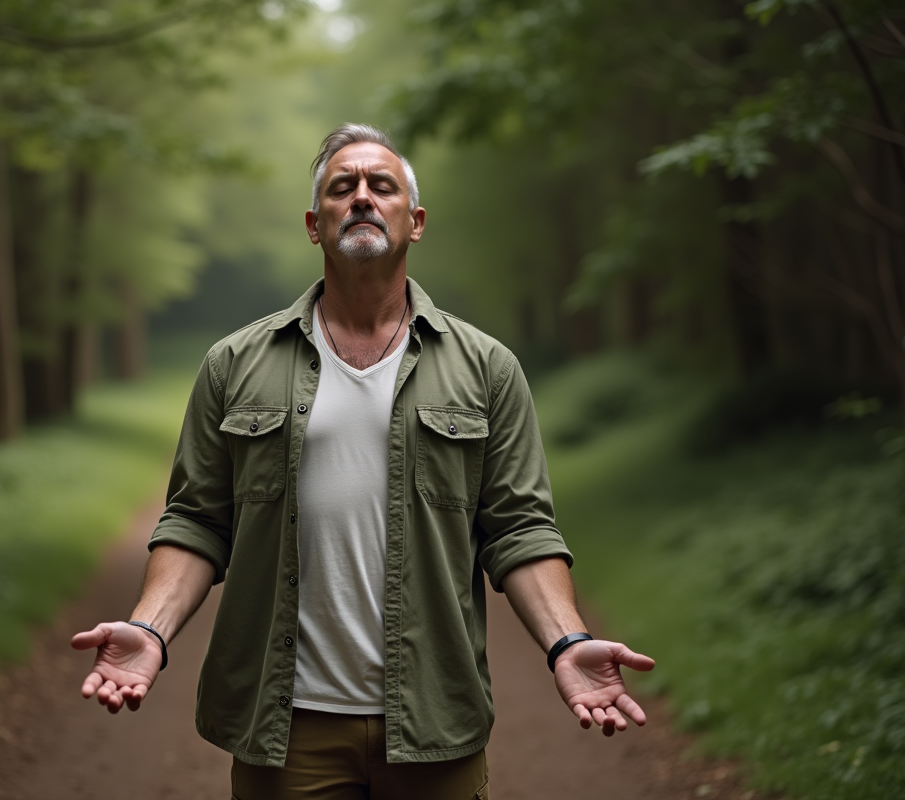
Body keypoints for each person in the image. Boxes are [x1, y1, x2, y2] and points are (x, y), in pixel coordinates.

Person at [71, 123, 655, 799]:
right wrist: (149, 628)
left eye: (382, 185)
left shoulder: (487, 368)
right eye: (341, 187)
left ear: (417, 219)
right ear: (315, 225)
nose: (362, 198)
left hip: (435, 718)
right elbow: (199, 521)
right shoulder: (235, 364)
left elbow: (520, 529)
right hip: (287, 726)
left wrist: (565, 642)